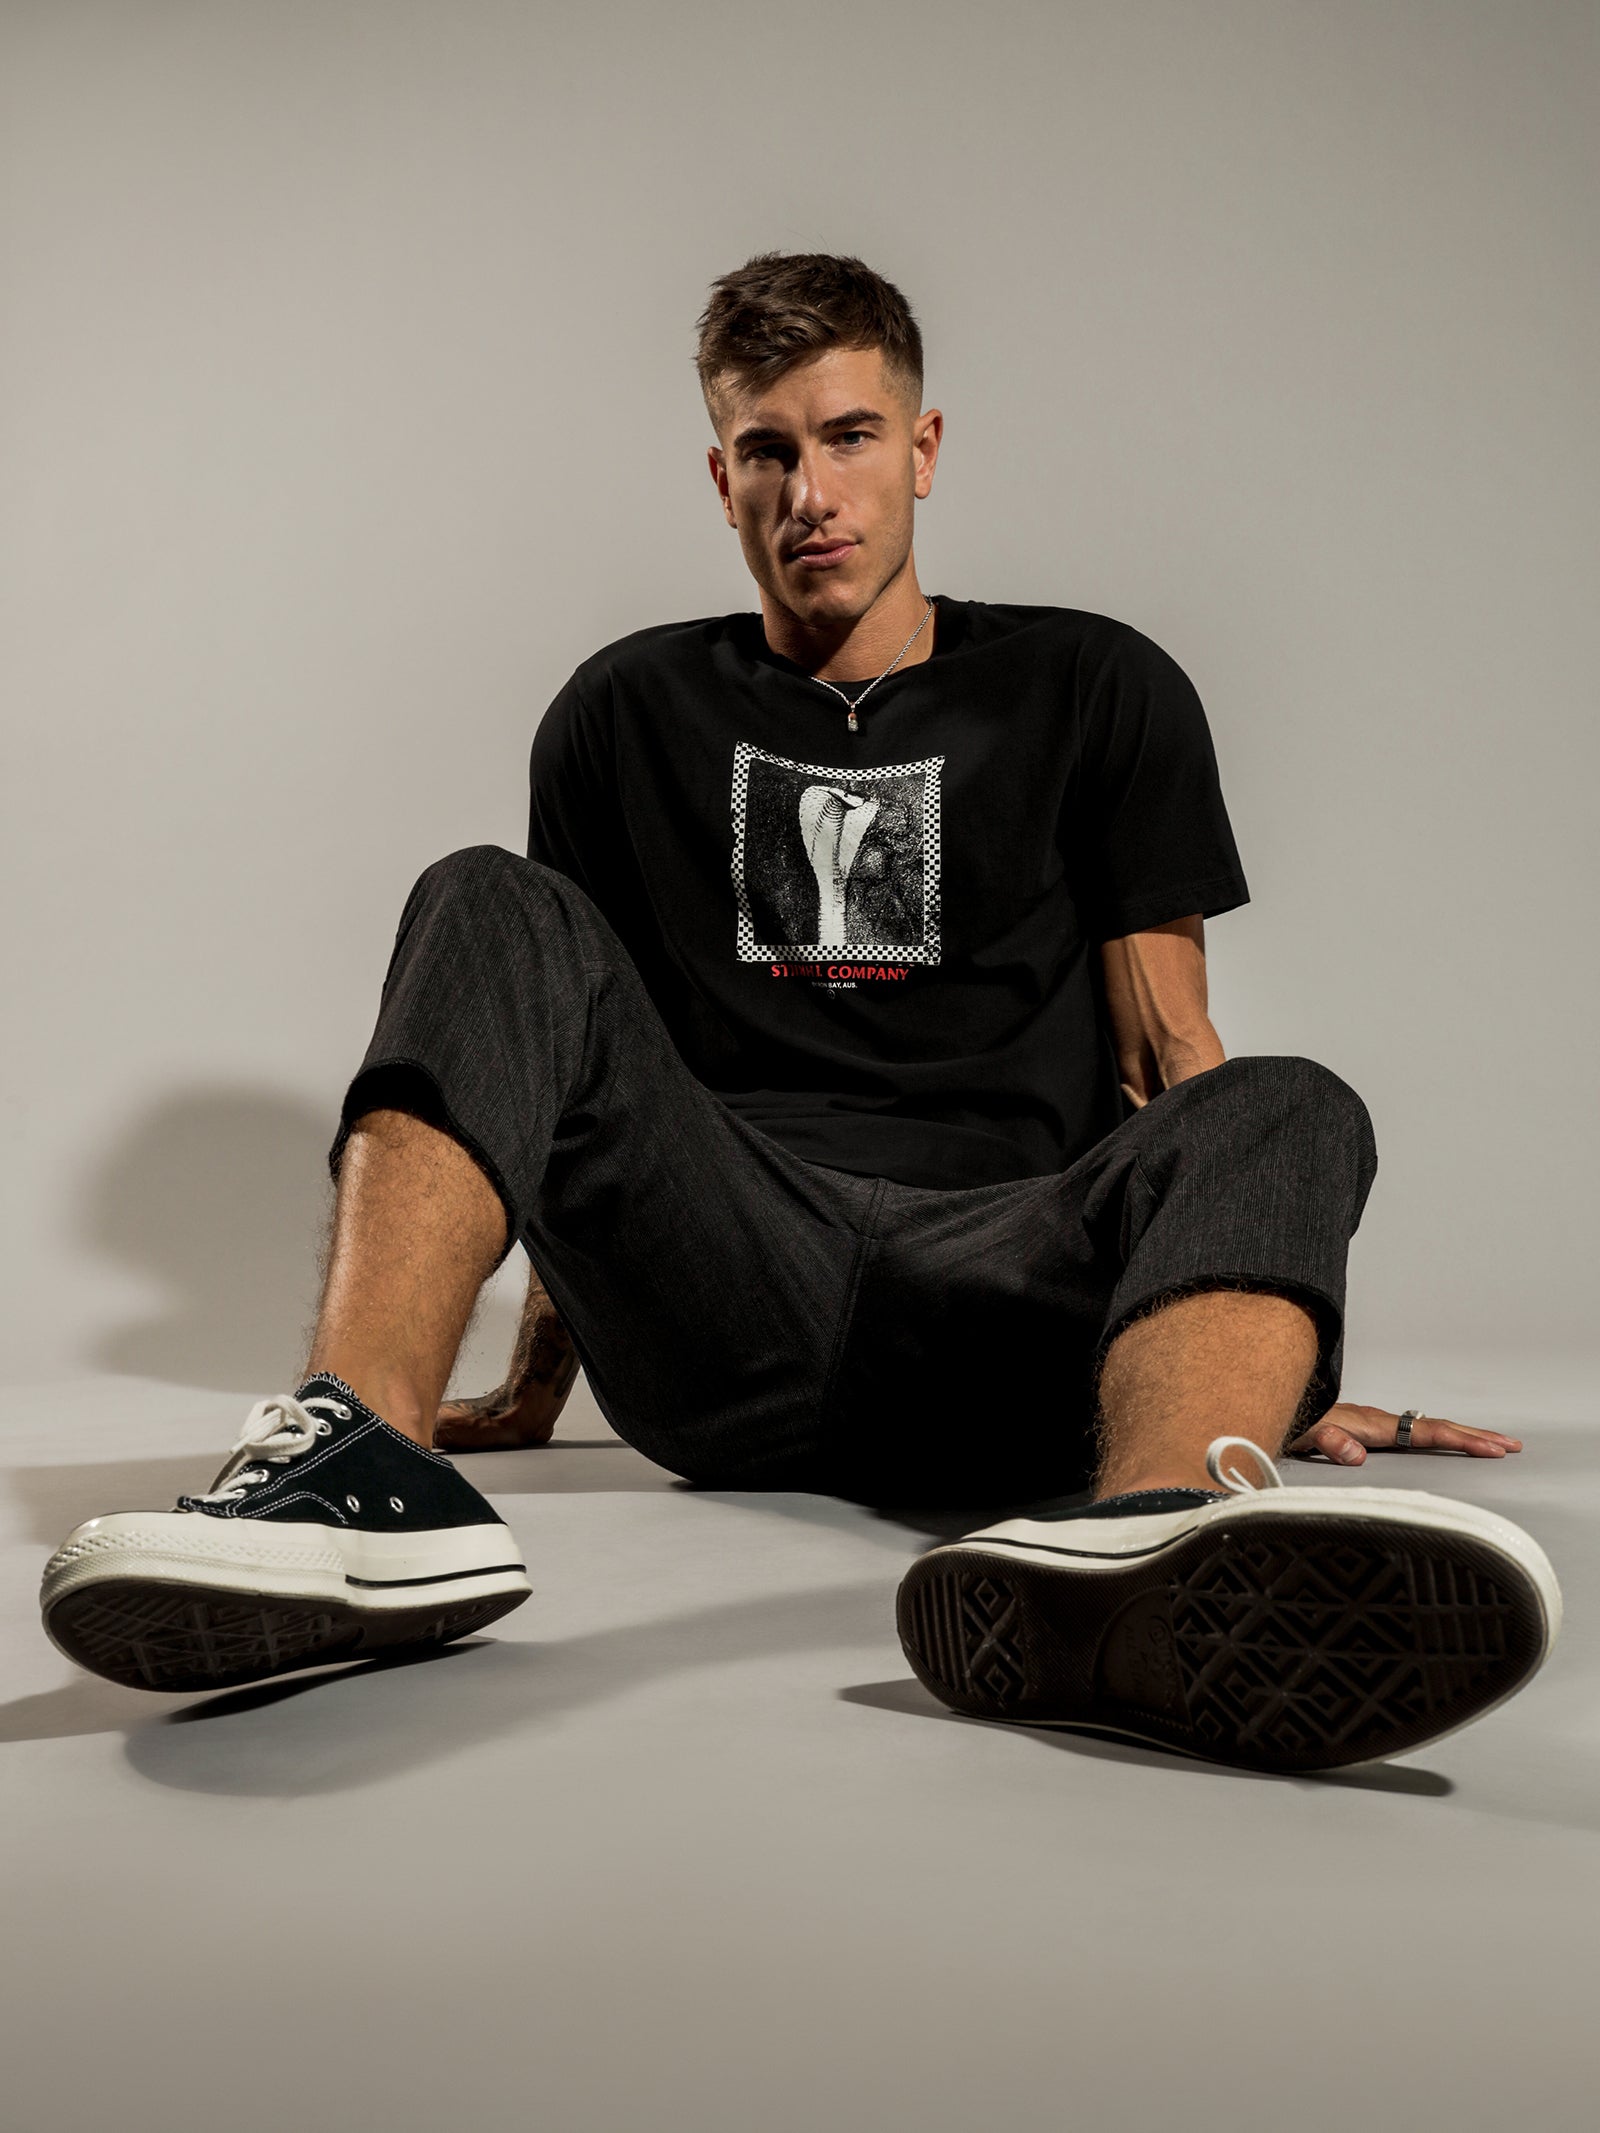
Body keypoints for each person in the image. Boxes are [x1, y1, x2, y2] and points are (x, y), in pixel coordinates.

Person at [40, 252, 1559, 1774]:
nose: (810, 492)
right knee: (487, 898)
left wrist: (1243, 1342)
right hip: (728, 1293)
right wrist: (532, 1384)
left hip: (1008, 1304)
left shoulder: (1094, 683)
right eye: (767, 449)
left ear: (924, 448)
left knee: (1289, 1099)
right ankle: (359, 1471)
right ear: (721, 477)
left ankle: (1161, 1534)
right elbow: (560, 1065)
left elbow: (1176, 1062)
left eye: (848, 436)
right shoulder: (621, 714)